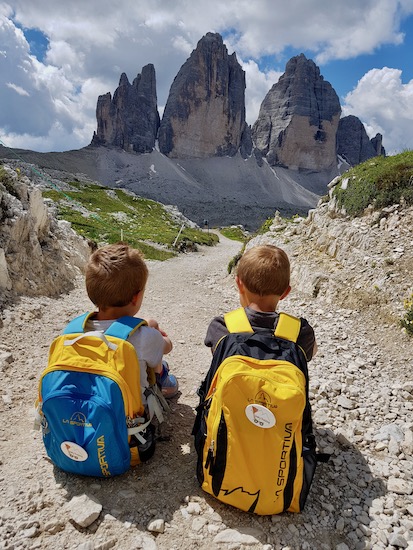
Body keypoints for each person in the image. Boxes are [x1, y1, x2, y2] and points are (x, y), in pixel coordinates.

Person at [85, 242, 178, 399]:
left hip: (84, 404)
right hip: (129, 416)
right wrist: (157, 334)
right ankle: (163, 379)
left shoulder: (74, 332)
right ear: (136, 298)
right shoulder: (143, 337)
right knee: (153, 352)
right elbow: (167, 347)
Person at [205, 244, 317, 359]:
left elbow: (219, 359)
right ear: (286, 292)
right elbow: (311, 353)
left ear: (239, 284)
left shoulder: (222, 326)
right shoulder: (300, 331)